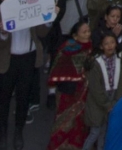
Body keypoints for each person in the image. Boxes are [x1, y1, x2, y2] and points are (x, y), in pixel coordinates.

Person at [0, 0, 51, 150]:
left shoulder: (30, 7)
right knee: (3, 99)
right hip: (8, 60)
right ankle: (2, 133)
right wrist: (3, 33)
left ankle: (19, 131)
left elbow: (41, 33)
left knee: (23, 97)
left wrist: (47, 19)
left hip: (28, 59)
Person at [46, 21, 94, 150]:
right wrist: (51, 92)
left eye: (89, 31)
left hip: (85, 94)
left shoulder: (92, 49)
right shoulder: (66, 50)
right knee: (63, 123)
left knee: (81, 126)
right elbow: (55, 70)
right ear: (75, 36)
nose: (88, 34)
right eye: (84, 32)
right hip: (67, 93)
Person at [82, 31, 122, 150]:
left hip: (113, 96)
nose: (110, 46)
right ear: (101, 46)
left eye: (112, 42)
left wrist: (117, 101)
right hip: (98, 100)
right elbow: (95, 88)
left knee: (105, 131)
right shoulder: (96, 62)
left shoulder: (120, 57)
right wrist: (107, 104)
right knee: (95, 132)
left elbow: (120, 82)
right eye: (106, 44)